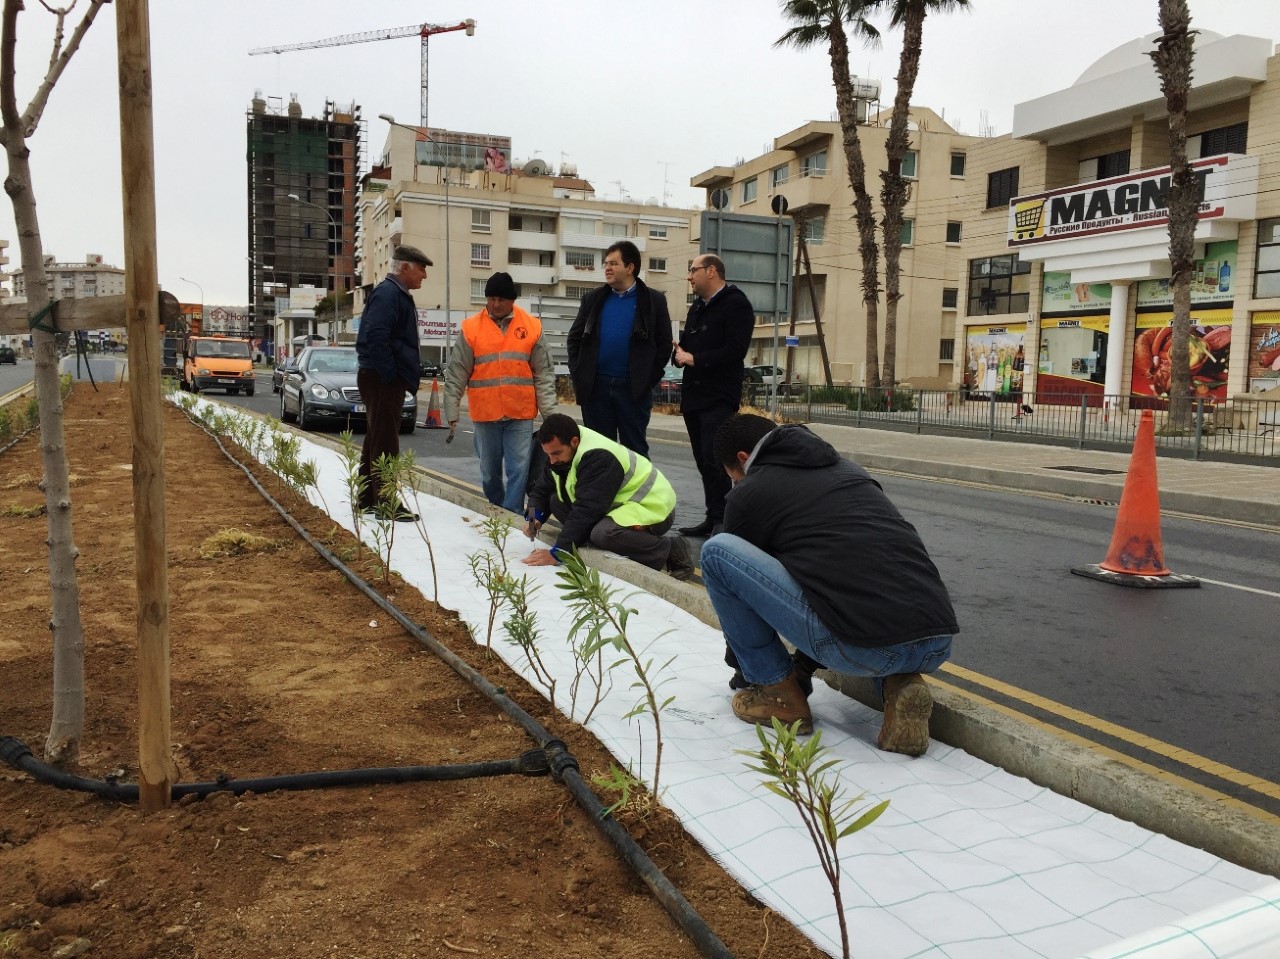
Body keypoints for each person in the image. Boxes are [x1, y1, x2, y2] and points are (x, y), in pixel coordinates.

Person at [700, 413, 958, 756]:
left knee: (718, 553)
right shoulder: (851, 472)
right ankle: (900, 683)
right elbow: (830, 579)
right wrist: (802, 667)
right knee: (859, 602)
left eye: (731, 475)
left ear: (744, 460)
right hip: (937, 641)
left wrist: (751, 673)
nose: (733, 483)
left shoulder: (751, 492)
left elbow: (746, 594)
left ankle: (780, 698)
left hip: (863, 647)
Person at [522, 413, 692, 580]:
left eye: (556, 454)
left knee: (604, 534)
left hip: (653, 508)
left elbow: (586, 511)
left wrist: (559, 553)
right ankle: (601, 540)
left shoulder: (598, 456)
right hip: (615, 505)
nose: (551, 461)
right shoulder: (561, 448)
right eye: (548, 454)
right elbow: (542, 488)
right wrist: (534, 517)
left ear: (574, 442)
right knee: (556, 501)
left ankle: (671, 549)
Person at [444, 271, 557, 514]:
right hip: (486, 415)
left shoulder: (532, 327)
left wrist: (551, 415)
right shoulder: (471, 329)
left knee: (519, 470)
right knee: (489, 473)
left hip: (520, 414)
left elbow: (544, 373)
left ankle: (512, 515)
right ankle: (496, 507)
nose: (495, 304)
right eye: (491, 298)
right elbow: (456, 373)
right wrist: (451, 410)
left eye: (501, 300)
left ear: (512, 300)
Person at [673, 254, 754, 537]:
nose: (689, 276)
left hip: (719, 396)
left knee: (716, 457)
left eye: (692, 270)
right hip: (694, 396)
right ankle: (712, 515)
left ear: (711, 271)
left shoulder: (736, 304)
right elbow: (685, 347)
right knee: (701, 459)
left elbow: (735, 350)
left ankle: (725, 520)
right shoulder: (697, 307)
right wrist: (678, 355)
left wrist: (694, 358)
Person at [566, 240, 671, 457]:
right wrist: (579, 373)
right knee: (599, 451)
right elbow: (574, 339)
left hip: (633, 390)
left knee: (635, 451)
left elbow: (663, 344)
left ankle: (637, 492)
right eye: (606, 263)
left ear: (630, 267)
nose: (607, 268)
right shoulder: (593, 299)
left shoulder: (654, 301)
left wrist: (647, 380)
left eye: (613, 263)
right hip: (596, 388)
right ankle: (604, 491)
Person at [354, 244, 432, 521]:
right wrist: (390, 375)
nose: (424, 275)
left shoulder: (394, 293)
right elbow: (376, 337)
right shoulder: (389, 294)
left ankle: (366, 498)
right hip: (382, 378)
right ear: (405, 267)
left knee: (377, 437)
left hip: (379, 376)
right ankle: (386, 503)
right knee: (386, 441)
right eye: (421, 269)